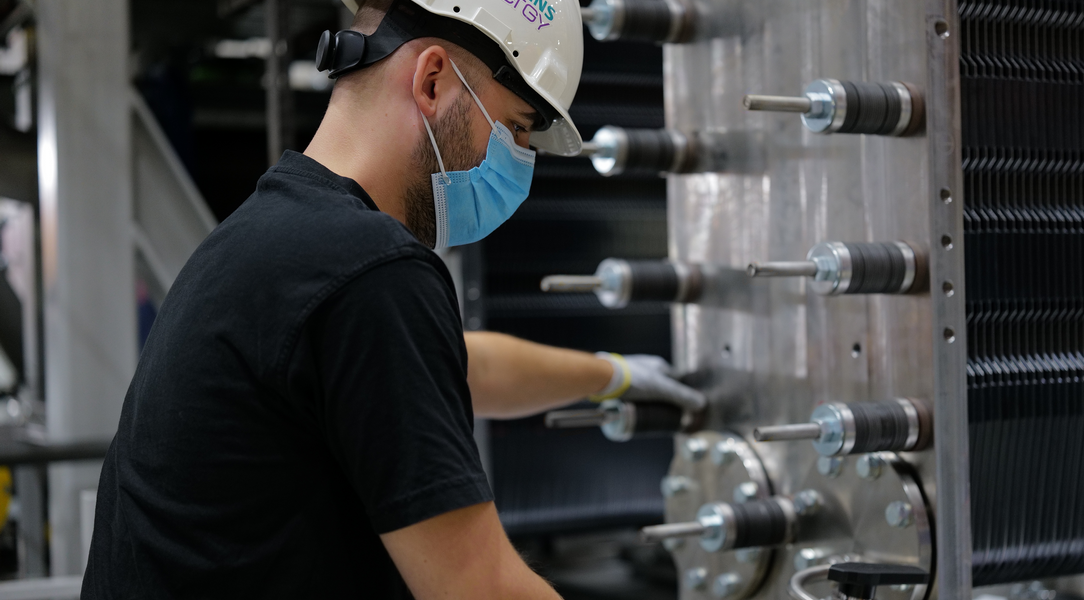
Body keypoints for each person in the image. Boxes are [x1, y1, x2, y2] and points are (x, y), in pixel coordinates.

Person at [81, 0, 703, 598]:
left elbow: (463, 366)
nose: (519, 165)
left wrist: (613, 375)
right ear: (432, 80)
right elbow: (481, 589)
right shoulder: (367, 266)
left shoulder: (271, 237)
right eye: (516, 129)